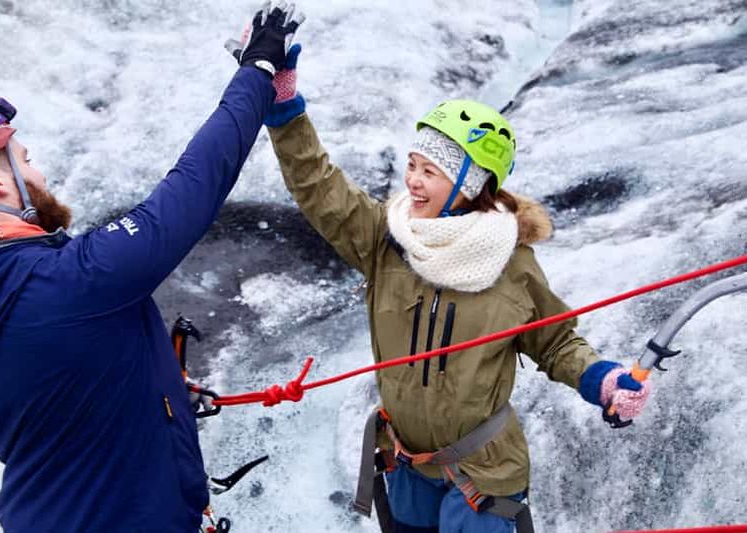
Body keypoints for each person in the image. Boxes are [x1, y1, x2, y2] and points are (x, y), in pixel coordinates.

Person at [257, 47, 652, 532]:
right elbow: (319, 187)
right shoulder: (387, 237)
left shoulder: (511, 263)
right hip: (406, 464)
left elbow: (554, 341)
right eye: (413, 165)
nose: (414, 182)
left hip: (482, 473)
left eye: (432, 171)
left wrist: (603, 380)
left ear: (470, 182)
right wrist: (284, 109)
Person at [0, 3, 304, 532]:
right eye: (25, 160)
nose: (37, 170)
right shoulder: (74, 281)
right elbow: (195, 183)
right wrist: (257, 73)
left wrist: (152, 386)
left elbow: (67, 397)